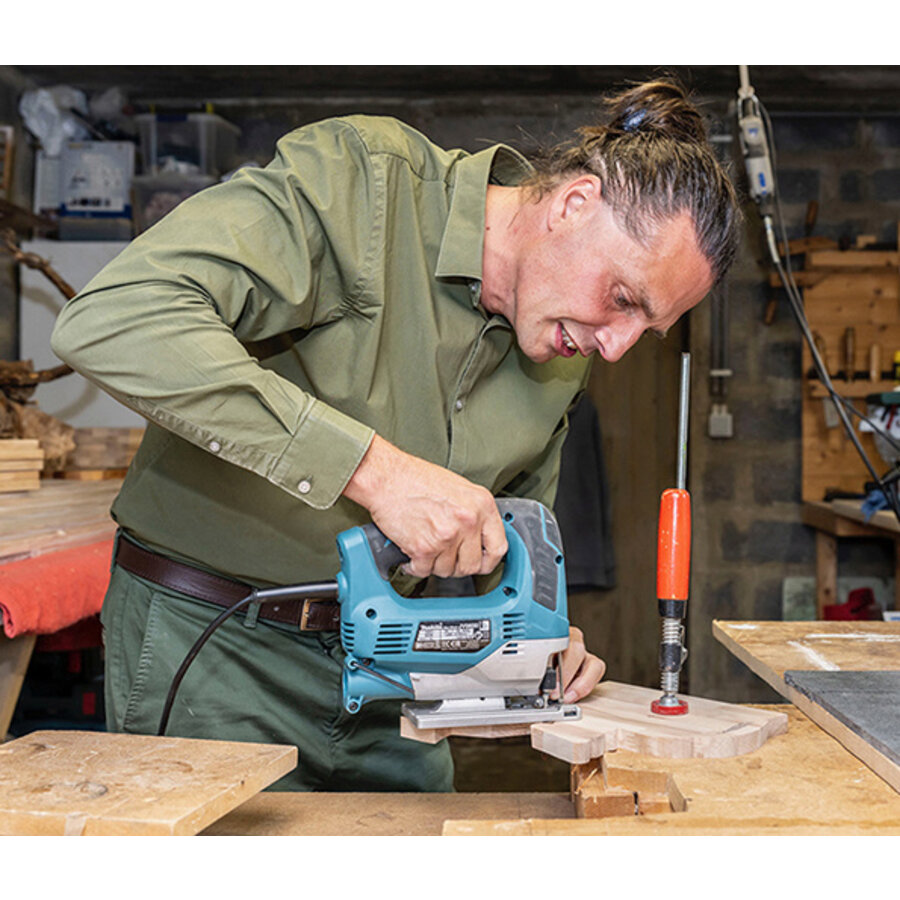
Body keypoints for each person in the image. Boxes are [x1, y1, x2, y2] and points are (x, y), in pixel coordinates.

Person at [50, 78, 741, 791]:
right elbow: (117, 318)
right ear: (574, 205)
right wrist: (377, 472)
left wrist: (539, 641)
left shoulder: (562, 343)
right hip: (215, 654)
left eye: (645, 329)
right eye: (623, 299)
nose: (619, 346)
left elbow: (506, 545)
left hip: (396, 684)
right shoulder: (361, 185)